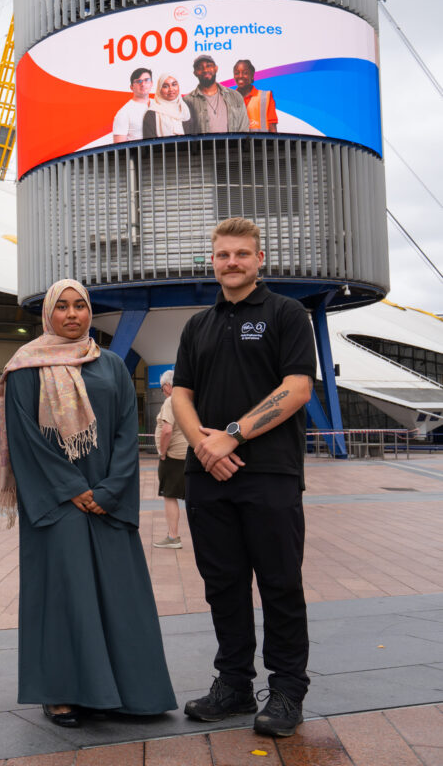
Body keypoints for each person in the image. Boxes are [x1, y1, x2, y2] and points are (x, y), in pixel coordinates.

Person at [0, 278, 176, 728]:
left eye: (80, 306)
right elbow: (25, 439)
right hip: (56, 501)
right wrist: (72, 488)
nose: (72, 314)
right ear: (48, 314)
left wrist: (111, 490)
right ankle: (63, 692)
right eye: (63, 307)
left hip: (107, 498)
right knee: (66, 594)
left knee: (120, 593)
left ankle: (133, 693)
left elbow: (123, 432)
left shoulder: (112, 365)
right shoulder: (24, 368)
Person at [171, 217, 315, 738]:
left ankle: (286, 691)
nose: (231, 262)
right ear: (212, 261)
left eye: (241, 254)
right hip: (207, 476)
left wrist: (232, 434)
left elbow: (297, 388)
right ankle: (232, 684)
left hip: (270, 473)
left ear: (259, 260)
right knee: (222, 586)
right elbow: (181, 394)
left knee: (279, 584)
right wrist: (207, 447)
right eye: (222, 255)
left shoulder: (286, 314)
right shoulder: (197, 326)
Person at [153, 369, 187, 549]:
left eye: (162, 388)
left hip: (174, 456)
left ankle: (173, 537)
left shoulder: (171, 400)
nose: (163, 391)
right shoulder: (189, 398)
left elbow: (167, 430)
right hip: (191, 453)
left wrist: (163, 453)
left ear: (167, 386)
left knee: (169, 495)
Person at [183, 54, 249, 134]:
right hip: (202, 146)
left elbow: (244, 129)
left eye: (209, 66)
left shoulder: (235, 96)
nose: (205, 70)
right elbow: (186, 134)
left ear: (216, 68)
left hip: (233, 146)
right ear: (195, 73)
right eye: (200, 68)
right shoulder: (187, 101)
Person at [142, 74, 199, 139]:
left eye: (174, 84)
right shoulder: (151, 114)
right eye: (165, 86)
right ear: (159, 89)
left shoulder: (187, 109)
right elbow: (149, 144)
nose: (171, 89)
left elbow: (195, 138)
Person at [233, 60, 278, 132]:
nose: (240, 76)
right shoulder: (228, 98)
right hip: (236, 143)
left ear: (252, 75)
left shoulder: (265, 97)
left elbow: (272, 128)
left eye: (245, 73)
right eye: (237, 73)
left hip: (261, 142)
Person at [112, 67, 153, 142]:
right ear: (131, 87)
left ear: (151, 83)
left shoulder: (158, 104)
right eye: (138, 81)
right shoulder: (124, 113)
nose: (143, 84)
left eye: (146, 80)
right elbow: (119, 149)